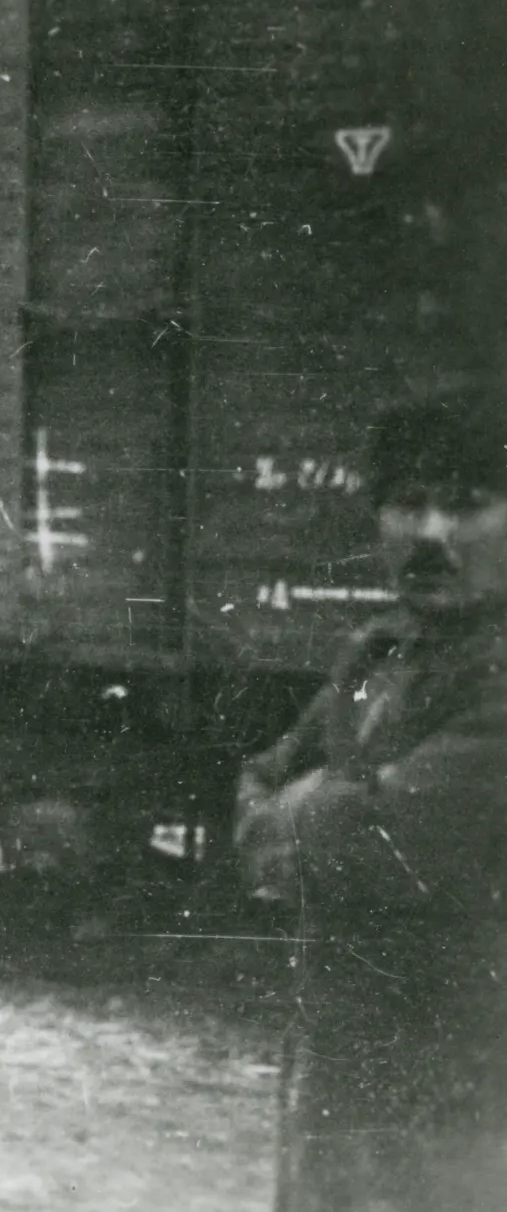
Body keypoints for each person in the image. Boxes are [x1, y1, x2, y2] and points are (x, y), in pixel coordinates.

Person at [234, 381, 507, 1212]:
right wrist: (340, 799)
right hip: (342, 1065)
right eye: (406, 503)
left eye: (466, 505)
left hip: (467, 1084)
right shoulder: (378, 652)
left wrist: (321, 804)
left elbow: (379, 841)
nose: (429, 534)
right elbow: (255, 795)